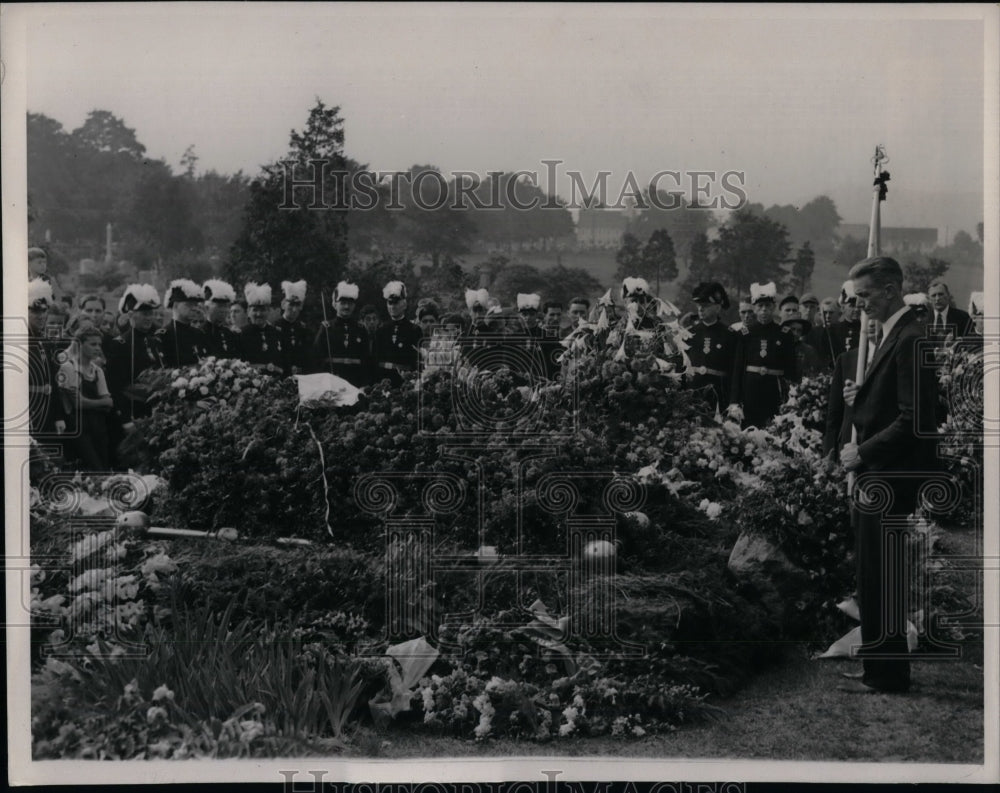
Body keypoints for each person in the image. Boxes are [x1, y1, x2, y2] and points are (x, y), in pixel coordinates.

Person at [839, 255, 939, 695]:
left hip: (888, 475)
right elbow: (891, 403)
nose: (859, 305)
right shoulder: (896, 335)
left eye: (865, 296)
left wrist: (861, 451)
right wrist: (862, 398)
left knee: (882, 577)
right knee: (873, 575)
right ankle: (878, 666)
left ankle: (888, 674)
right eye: (856, 297)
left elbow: (915, 418)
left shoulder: (910, 338)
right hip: (881, 473)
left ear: (891, 290)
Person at [727, 281, 796, 429]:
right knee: (749, 432)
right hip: (750, 391)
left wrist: (792, 398)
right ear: (755, 308)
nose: (764, 310)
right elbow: (738, 369)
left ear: (774, 308)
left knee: (775, 430)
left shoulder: (784, 334)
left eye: (768, 306)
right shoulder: (745, 334)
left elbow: (791, 368)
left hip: (775, 391)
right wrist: (734, 400)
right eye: (760, 306)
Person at [105, 283, 165, 433]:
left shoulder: (154, 342)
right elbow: (114, 387)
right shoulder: (120, 344)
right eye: (145, 314)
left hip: (155, 410)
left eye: (151, 313)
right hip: (133, 413)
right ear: (131, 314)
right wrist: (125, 419)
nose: (149, 318)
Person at [824, 317, 882, 461]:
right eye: (866, 319)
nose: (871, 323)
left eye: (876, 319)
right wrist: (829, 452)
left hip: (879, 443)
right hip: (849, 442)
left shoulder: (894, 355)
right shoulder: (847, 359)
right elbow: (834, 413)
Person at [58, 326, 114, 470]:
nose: (97, 348)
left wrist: (94, 402)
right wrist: (101, 402)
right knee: (92, 469)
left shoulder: (97, 370)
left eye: (99, 345)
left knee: (104, 468)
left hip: (99, 428)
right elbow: (77, 403)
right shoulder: (69, 368)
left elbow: (109, 403)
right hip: (79, 429)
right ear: (80, 345)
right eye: (93, 344)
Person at [686, 281, 736, 410]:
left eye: (706, 305)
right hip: (693, 395)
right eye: (699, 305)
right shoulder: (690, 333)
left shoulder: (730, 335)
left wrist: (733, 401)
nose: (700, 309)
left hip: (719, 396)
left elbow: (734, 372)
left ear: (718, 308)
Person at [27, 278, 68, 439]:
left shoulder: (46, 343)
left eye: (44, 311)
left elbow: (53, 382)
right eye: (35, 311)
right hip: (26, 414)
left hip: (47, 414)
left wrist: (58, 416)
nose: (41, 316)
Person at [312, 281, 370, 386]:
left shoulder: (361, 329)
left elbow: (367, 361)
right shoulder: (326, 328)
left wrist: (364, 385)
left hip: (355, 382)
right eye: (342, 303)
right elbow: (316, 359)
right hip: (331, 382)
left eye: (350, 303)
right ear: (335, 304)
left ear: (354, 305)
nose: (347, 307)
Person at [374, 281, 423, 387]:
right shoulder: (381, 329)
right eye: (389, 303)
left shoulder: (414, 330)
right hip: (383, 380)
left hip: (404, 382)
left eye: (396, 303)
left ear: (404, 304)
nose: (392, 306)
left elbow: (417, 361)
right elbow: (375, 359)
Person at [159, 279, 209, 368]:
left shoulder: (199, 333)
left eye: (196, 304)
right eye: (189, 304)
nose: (195, 308)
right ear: (176, 305)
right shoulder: (164, 335)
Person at [239, 282, 284, 372]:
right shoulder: (241, 334)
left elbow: (285, 363)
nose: (259, 314)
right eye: (255, 310)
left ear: (268, 311)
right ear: (248, 311)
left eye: (263, 310)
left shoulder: (277, 333)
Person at [276, 280, 312, 375]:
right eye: (291, 304)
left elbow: (308, 356)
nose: (294, 309)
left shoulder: (304, 329)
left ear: (301, 306)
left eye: (298, 305)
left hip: (301, 377)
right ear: (283, 304)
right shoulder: (274, 328)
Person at [201, 279, 240, 359]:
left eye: (226, 306)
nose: (224, 310)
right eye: (220, 306)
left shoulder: (229, 334)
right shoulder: (200, 333)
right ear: (207, 307)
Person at [782, 317, 822, 381]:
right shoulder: (779, 348)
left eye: (799, 330)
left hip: (800, 386)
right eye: (793, 329)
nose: (795, 333)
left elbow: (814, 372)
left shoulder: (809, 350)